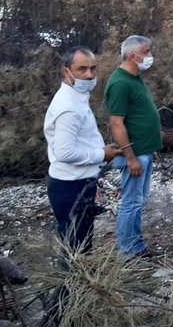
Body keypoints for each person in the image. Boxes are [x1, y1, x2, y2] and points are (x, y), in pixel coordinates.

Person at [44, 47, 119, 252]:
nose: (89, 75)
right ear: (66, 71)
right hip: (71, 187)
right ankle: (72, 274)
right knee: (76, 249)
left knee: (81, 243)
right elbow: (64, 152)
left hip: (78, 183)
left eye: (93, 69)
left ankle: (80, 273)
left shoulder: (76, 98)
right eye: (82, 69)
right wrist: (102, 154)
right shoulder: (68, 107)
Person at [105, 35, 162, 258]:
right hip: (134, 155)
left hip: (143, 152)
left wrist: (151, 147)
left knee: (138, 201)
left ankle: (137, 246)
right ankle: (128, 251)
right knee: (131, 202)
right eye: (146, 52)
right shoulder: (120, 83)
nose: (150, 56)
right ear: (133, 55)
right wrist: (130, 157)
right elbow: (116, 123)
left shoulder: (134, 78)